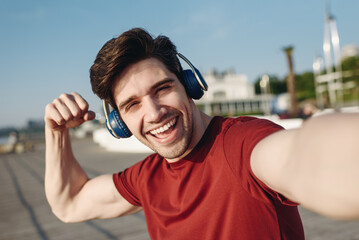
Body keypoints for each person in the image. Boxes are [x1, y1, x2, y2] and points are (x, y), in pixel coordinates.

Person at [44, 28, 359, 239]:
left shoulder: (243, 146)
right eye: (132, 104)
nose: (153, 113)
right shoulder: (146, 179)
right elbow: (69, 203)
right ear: (119, 122)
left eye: (162, 88)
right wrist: (56, 132)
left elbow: (307, 155)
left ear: (189, 84)